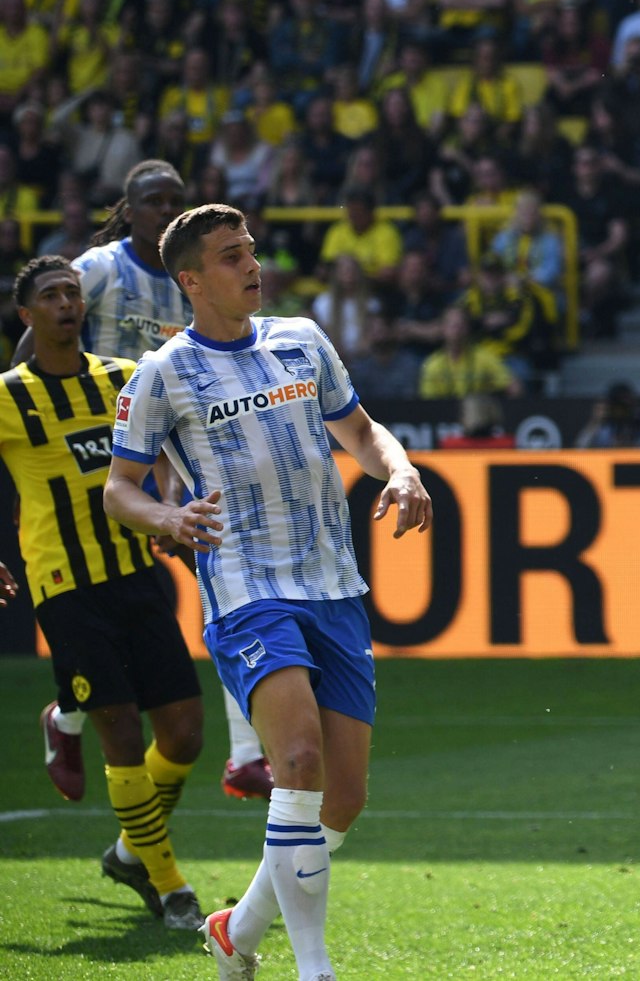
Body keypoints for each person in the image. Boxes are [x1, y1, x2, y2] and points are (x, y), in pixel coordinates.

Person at [106, 203, 433, 980]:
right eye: (228, 256)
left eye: (250, 249)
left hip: (333, 581)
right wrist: (168, 514)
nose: (250, 264)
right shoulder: (163, 372)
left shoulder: (302, 339)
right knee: (297, 757)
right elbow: (120, 488)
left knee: (343, 800)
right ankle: (314, 969)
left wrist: (404, 469)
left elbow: (360, 430)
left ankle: (236, 930)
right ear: (189, 279)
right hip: (248, 586)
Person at [19, 160, 278, 804]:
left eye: (176, 200)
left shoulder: (189, 280)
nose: (166, 210)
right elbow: (40, 331)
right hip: (100, 454)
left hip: (166, 448)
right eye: (154, 201)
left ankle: (245, 754)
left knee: (225, 574)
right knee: (104, 599)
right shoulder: (102, 269)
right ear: (129, 210)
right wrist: (37, 417)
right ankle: (70, 715)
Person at [0, 256, 207, 931]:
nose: (66, 303)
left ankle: (128, 850)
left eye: (72, 293)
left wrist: (171, 506)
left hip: (134, 572)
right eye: (50, 296)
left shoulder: (123, 381)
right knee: (119, 723)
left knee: (183, 732)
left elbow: (174, 445)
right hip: (65, 585)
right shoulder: (9, 396)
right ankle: (170, 884)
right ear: (26, 316)